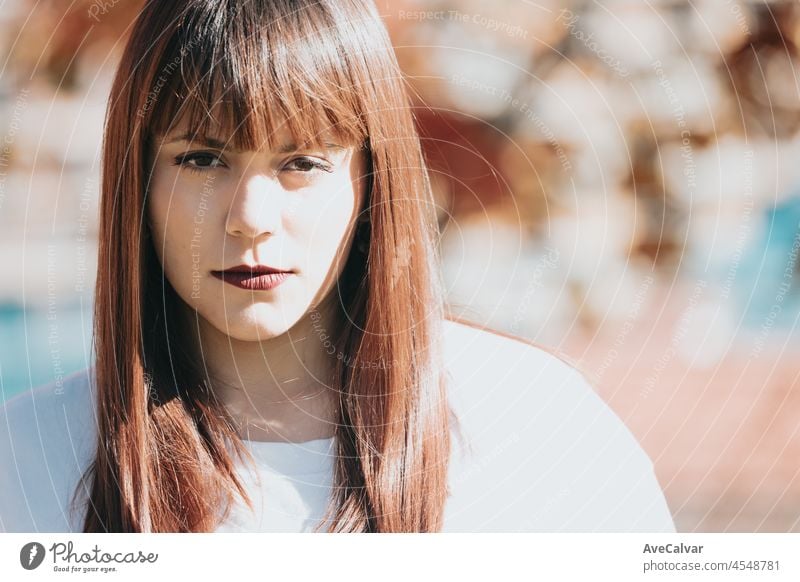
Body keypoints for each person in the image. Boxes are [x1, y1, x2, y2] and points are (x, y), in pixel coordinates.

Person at [0, 0, 675, 533]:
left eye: (302, 163)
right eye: (202, 159)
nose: (251, 215)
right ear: (137, 182)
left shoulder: (539, 432)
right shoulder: (25, 459)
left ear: (372, 183)